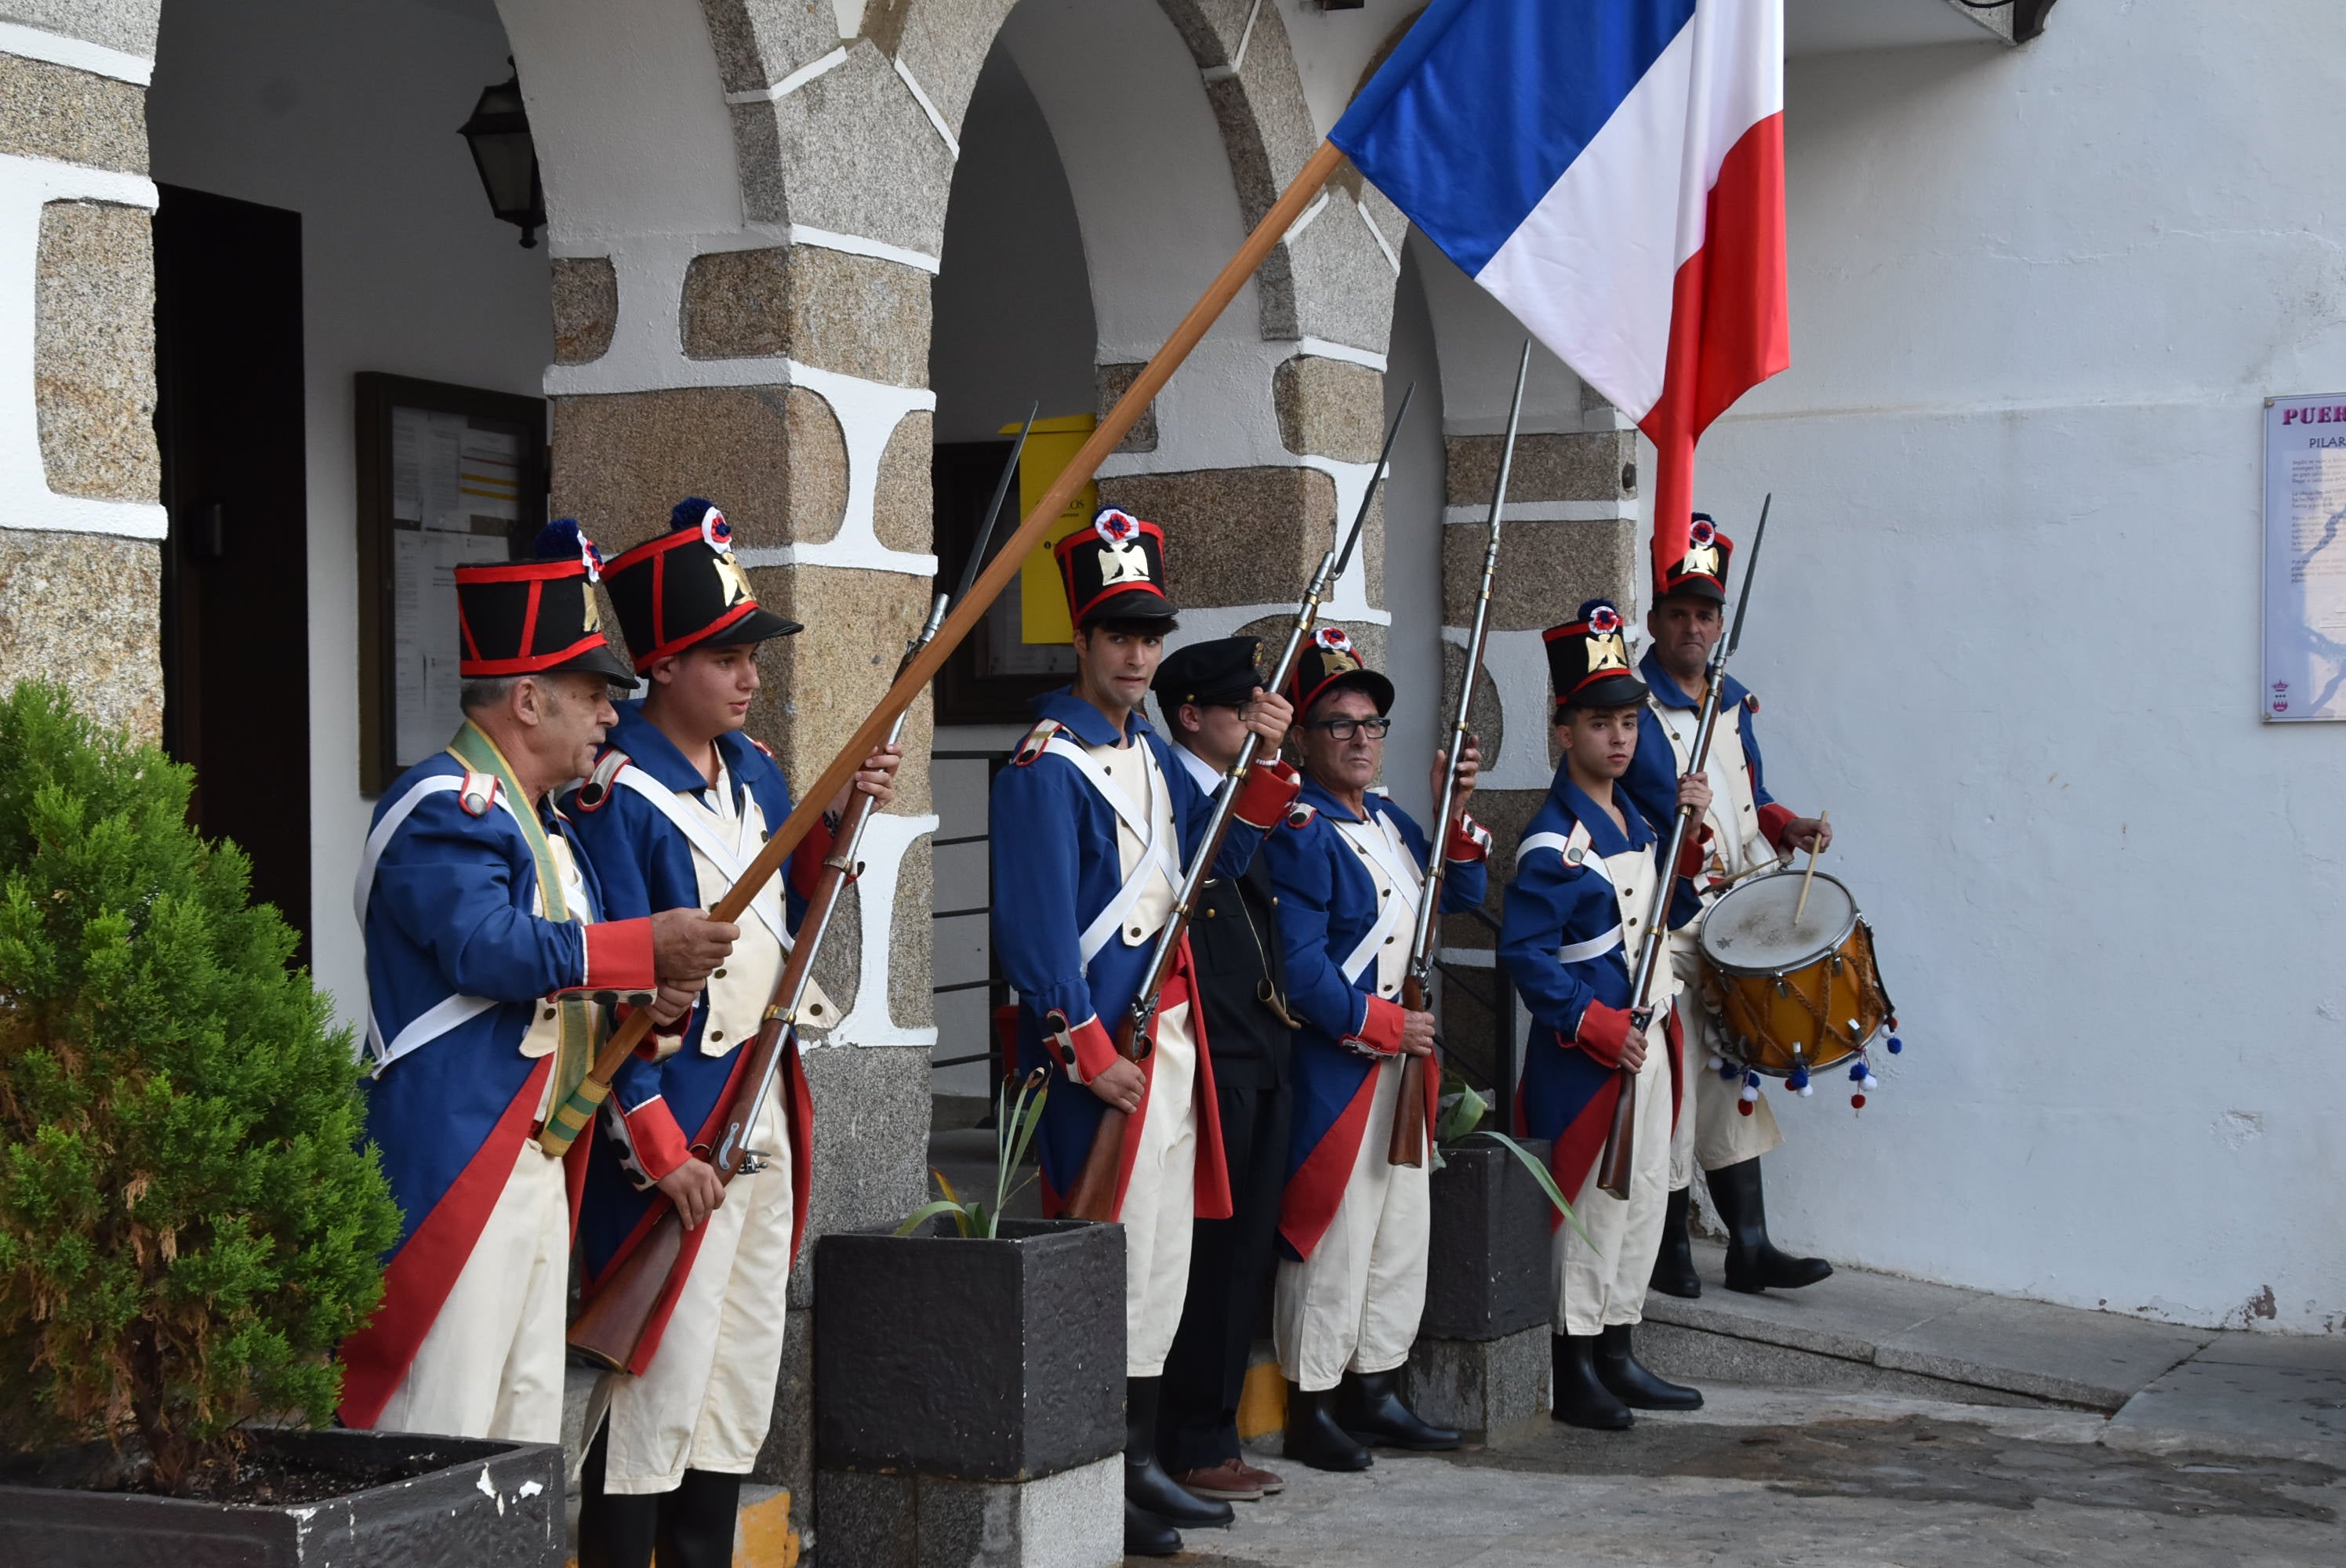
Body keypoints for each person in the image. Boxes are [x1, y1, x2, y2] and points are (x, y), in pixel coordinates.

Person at [336, 519, 734, 1446]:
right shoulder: (446, 806)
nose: (610, 716)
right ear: (526, 700)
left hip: (537, 1156)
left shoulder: (543, 824)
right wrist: (644, 949)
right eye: (592, 695)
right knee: (441, 1423)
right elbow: (487, 948)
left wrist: (649, 1001)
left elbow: (567, 976)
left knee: (520, 1432)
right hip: (459, 1155)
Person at [563, 499, 902, 1567]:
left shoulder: (753, 768)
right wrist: (657, 1146)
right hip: (677, 1117)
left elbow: (789, 908)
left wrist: (843, 815)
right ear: (661, 664)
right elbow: (614, 992)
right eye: (724, 657)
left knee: (739, 1365)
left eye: (751, 656)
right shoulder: (613, 795)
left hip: (761, 1092)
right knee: (658, 1378)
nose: (749, 676)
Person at [990, 508, 1300, 1559]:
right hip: (1107, 1061)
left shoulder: (1155, 758)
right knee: (1108, 1266)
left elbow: (1219, 864)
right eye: (1119, 634)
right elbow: (1037, 936)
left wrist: (1264, 761)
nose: (1136, 655)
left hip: (1171, 1043)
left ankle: (1139, 1461)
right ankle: (1099, 1470)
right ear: (1081, 638)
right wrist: (1089, 1053)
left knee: (1162, 1263)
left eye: (1150, 636)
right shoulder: (1045, 763)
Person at [1262, 626, 1487, 1472]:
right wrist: (1388, 1027)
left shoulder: (1390, 819)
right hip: (1343, 1066)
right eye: (1339, 724)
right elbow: (1301, 972)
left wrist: (1453, 809)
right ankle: (1313, 1402)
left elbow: (1457, 894)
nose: (1360, 738)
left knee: (1399, 1233)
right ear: (1302, 737)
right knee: (1337, 1235)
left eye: (1371, 724)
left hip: (1403, 1065)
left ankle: (1377, 1390)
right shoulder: (1299, 827)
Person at [1498, 599, 1711, 1431]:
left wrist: (1690, 834)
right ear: (1564, 732)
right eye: (1599, 723)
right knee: (1588, 1207)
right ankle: (1574, 1359)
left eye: (1627, 722)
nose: (1618, 739)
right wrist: (1594, 1026)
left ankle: (1618, 1344)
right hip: (1589, 1057)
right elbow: (1527, 959)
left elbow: (1673, 909)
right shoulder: (1553, 842)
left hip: (1651, 1039)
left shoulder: (1642, 822)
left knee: (1644, 1195)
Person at [1622, 517, 1835, 1298]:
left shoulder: (1732, 701)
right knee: (1676, 1083)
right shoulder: (1631, 707)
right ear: (1655, 622)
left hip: (1729, 913)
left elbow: (1751, 794)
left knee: (1728, 1069)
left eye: (1705, 614)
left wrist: (1785, 825)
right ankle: (1667, 1245)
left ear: (1719, 624)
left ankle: (1749, 1245)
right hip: (1665, 917)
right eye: (1678, 613)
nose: (1692, 627)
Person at [1149, 636, 1296, 1506]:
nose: (1255, 721)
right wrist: (1263, 771)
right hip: (1210, 1046)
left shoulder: (1239, 787)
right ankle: (1192, 1439)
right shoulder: (1176, 790)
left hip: (1261, 1038)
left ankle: (1214, 1431)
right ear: (1191, 716)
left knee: (1243, 1255)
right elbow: (1209, 869)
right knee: (1207, 1257)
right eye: (1240, 710)